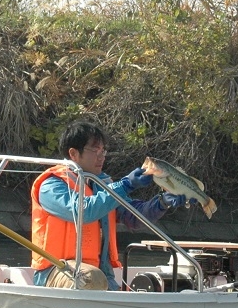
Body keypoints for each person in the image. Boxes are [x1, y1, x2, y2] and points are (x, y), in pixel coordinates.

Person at [31, 121, 189, 291]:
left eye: (103, 151)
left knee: (96, 278)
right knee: (92, 278)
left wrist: (162, 202)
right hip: (57, 272)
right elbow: (83, 211)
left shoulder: (102, 184)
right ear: (73, 153)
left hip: (100, 277)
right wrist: (126, 185)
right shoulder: (51, 186)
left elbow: (133, 217)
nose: (102, 156)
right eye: (95, 151)